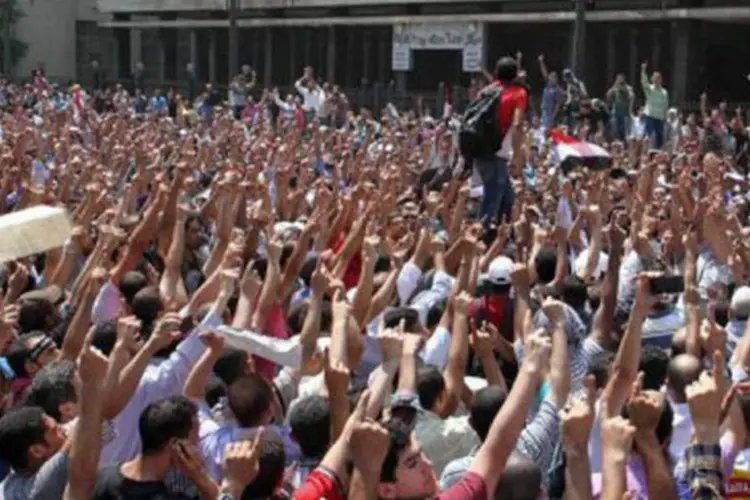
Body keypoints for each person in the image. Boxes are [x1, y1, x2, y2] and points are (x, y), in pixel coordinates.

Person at [474, 56, 528, 226]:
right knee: (492, 200)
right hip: (496, 152)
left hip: (478, 148)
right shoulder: (519, 93)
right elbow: (518, 124)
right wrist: (518, 156)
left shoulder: (485, 91)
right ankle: (479, 240)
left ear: (496, 74)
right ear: (516, 76)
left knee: (507, 199)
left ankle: (506, 236)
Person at [641, 61, 669, 149]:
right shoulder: (649, 89)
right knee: (647, 137)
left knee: (659, 138)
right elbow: (644, 82)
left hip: (660, 118)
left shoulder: (664, 92)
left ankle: (658, 154)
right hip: (650, 116)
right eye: (655, 77)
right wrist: (643, 70)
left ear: (661, 80)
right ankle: (645, 154)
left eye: (658, 78)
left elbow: (666, 105)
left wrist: (665, 116)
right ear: (652, 79)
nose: (656, 79)